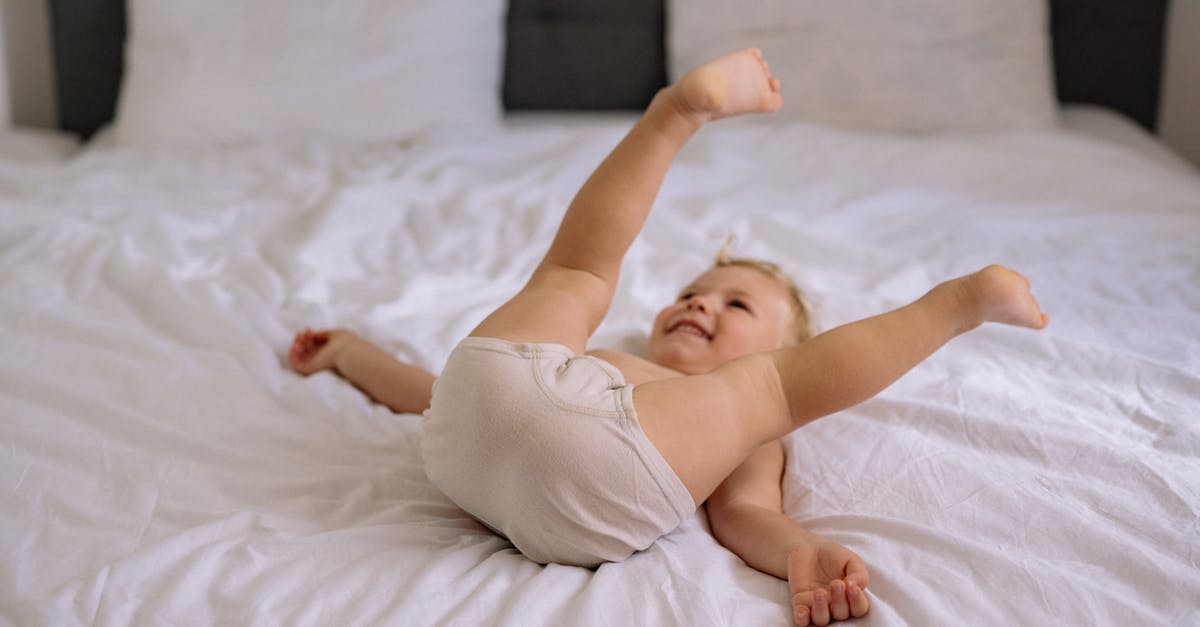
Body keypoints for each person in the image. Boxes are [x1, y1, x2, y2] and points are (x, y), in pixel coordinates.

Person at [289, 48, 1048, 626]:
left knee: (589, 276)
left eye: (738, 307)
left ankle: (953, 299)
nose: (701, 306)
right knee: (581, 283)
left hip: (556, 476)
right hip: (472, 427)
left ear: (782, 340)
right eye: (691, 293)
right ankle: (680, 112)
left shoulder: (737, 427)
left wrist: (799, 556)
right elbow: (434, 397)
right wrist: (351, 354)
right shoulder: (607, 368)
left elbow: (745, 513)